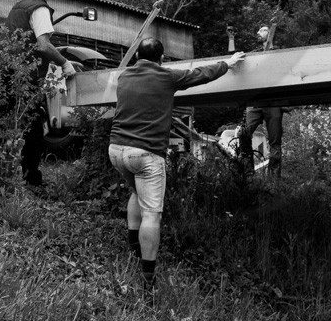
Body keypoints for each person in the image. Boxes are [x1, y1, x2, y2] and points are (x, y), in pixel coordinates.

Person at [109, 37, 245, 287]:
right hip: (145, 153)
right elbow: (201, 74)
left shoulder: (124, 76)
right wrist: (228, 63)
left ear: (137, 57)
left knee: (135, 192)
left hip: (116, 150)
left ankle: (133, 248)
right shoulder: (166, 77)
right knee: (152, 215)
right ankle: (148, 280)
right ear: (161, 60)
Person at [5, 0, 77, 187]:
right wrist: (64, 63)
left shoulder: (19, 4)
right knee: (34, 126)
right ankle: (31, 179)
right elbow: (43, 45)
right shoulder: (40, 8)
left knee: (6, 121)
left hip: (6, 70)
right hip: (24, 75)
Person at [238, 24, 283, 178]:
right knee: (244, 133)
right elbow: (238, 63)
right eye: (258, 30)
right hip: (255, 102)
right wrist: (231, 40)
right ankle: (248, 175)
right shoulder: (253, 55)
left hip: (273, 102)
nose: (258, 32)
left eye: (262, 30)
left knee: (275, 143)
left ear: (270, 34)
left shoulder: (279, 53)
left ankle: (273, 182)